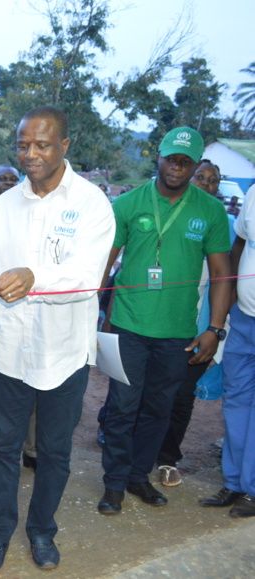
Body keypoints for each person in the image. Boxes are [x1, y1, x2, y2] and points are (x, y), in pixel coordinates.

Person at [0, 106, 115, 572]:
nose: (30, 154)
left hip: (66, 353)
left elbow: (86, 276)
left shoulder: (92, 203)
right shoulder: (3, 206)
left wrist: (34, 277)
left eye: (42, 145)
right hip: (11, 352)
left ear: (65, 146)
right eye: (22, 145)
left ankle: (41, 531)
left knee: (54, 451)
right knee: (4, 448)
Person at [98, 127, 231, 515]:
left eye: (186, 161)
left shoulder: (210, 211)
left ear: (195, 166)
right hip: (128, 325)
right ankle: (114, 484)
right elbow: (104, 262)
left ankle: (139, 476)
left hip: (177, 332)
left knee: (159, 408)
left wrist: (215, 329)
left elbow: (223, 275)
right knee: (122, 407)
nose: (177, 166)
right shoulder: (129, 203)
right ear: (159, 156)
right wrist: (92, 309)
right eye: (172, 158)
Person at [155, 159, 235, 486]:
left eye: (213, 180)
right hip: (163, 317)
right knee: (153, 389)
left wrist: (216, 327)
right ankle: (140, 450)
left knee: (182, 393)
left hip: (202, 323)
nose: (207, 184)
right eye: (201, 177)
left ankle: (167, 458)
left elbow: (227, 278)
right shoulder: (171, 216)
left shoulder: (226, 225)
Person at [200, 183, 255, 516]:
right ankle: (233, 482)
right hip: (244, 318)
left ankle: (251, 487)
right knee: (236, 402)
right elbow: (240, 244)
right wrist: (230, 296)